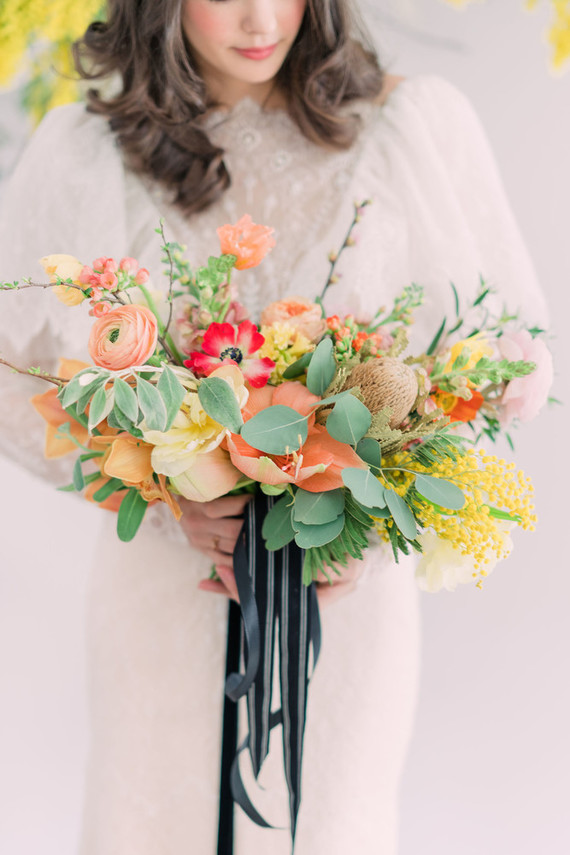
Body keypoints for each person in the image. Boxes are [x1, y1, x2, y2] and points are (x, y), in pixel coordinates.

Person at [0, 1, 549, 852]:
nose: (261, 18)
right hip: (164, 590)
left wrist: (371, 504)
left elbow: (513, 359)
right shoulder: (84, 148)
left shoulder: (416, 126)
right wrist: (145, 480)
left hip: (347, 606)